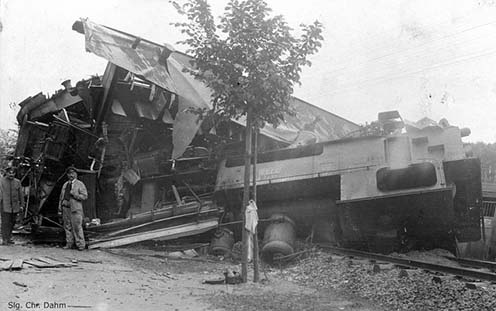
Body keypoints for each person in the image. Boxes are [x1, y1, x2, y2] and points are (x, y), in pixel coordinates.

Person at [58, 166, 88, 250]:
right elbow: (61, 197)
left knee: (77, 227)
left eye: (73, 173)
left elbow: (85, 196)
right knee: (67, 227)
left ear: (76, 174)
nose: (71, 175)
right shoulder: (65, 184)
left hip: (75, 209)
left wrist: (75, 195)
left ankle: (81, 245)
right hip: (66, 208)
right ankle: (69, 244)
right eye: (69, 173)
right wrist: (60, 209)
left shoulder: (80, 184)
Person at [0, 167, 24, 245]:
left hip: (15, 206)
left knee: (12, 222)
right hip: (5, 205)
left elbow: (21, 195)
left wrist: (22, 205)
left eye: (13, 173)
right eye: (9, 173)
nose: (11, 174)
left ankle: (9, 237)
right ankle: (4, 239)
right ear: (6, 173)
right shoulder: (1, 181)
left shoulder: (17, 182)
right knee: (5, 222)